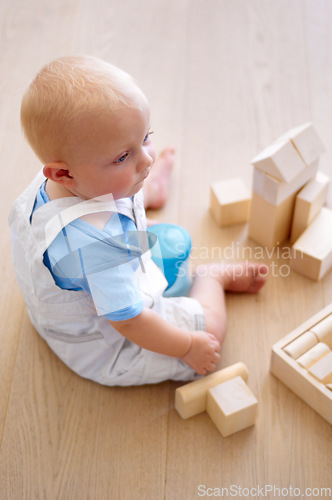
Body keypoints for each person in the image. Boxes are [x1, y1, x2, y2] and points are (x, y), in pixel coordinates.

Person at [9, 55, 268, 387]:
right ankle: (212, 280)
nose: (147, 159)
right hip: (103, 343)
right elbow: (129, 323)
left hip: (71, 297)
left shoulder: (63, 179)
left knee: (133, 206)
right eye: (123, 156)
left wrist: (128, 174)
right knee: (210, 335)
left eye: (146, 137)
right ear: (64, 172)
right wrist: (188, 345)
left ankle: (148, 194)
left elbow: (97, 196)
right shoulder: (96, 249)